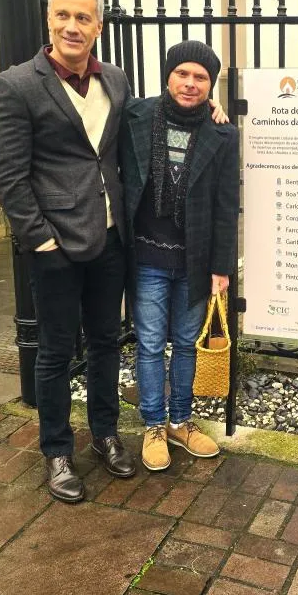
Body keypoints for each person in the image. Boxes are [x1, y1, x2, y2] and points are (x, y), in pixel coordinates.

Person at [0, 0, 135, 502]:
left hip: (111, 238)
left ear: (98, 24)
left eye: (83, 17)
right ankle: (56, 450)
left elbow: (133, 140)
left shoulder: (116, 81)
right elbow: (7, 173)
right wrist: (38, 239)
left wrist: (208, 110)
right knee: (53, 352)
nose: (73, 26)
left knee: (105, 342)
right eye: (63, 16)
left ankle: (105, 434)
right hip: (54, 245)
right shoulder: (16, 85)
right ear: (50, 21)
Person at [120, 40, 240, 472]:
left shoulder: (222, 132)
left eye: (201, 78)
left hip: (194, 259)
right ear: (168, 75)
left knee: (187, 344)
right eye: (183, 74)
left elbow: (227, 204)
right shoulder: (134, 115)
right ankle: (153, 424)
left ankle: (181, 421)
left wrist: (221, 267)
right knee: (151, 344)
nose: (190, 84)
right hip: (147, 255)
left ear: (212, 85)